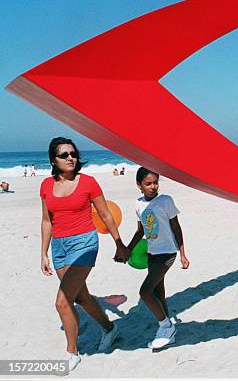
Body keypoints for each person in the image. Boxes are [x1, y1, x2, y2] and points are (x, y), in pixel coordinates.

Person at [39, 137, 130, 371]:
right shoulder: (46, 186)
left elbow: (107, 215)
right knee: (80, 297)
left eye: (73, 153)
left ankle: (72, 352)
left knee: (62, 301)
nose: (70, 157)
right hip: (59, 246)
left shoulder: (88, 182)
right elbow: (47, 220)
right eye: (64, 154)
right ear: (53, 160)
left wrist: (119, 243)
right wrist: (43, 253)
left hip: (85, 243)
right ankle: (109, 328)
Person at [127, 167, 189, 349]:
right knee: (158, 293)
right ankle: (169, 333)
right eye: (148, 183)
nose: (153, 186)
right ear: (139, 185)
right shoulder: (138, 204)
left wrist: (183, 254)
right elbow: (140, 232)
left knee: (145, 292)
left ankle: (166, 326)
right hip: (152, 253)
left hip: (168, 253)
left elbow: (176, 227)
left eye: (155, 182)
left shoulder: (166, 201)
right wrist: (127, 249)